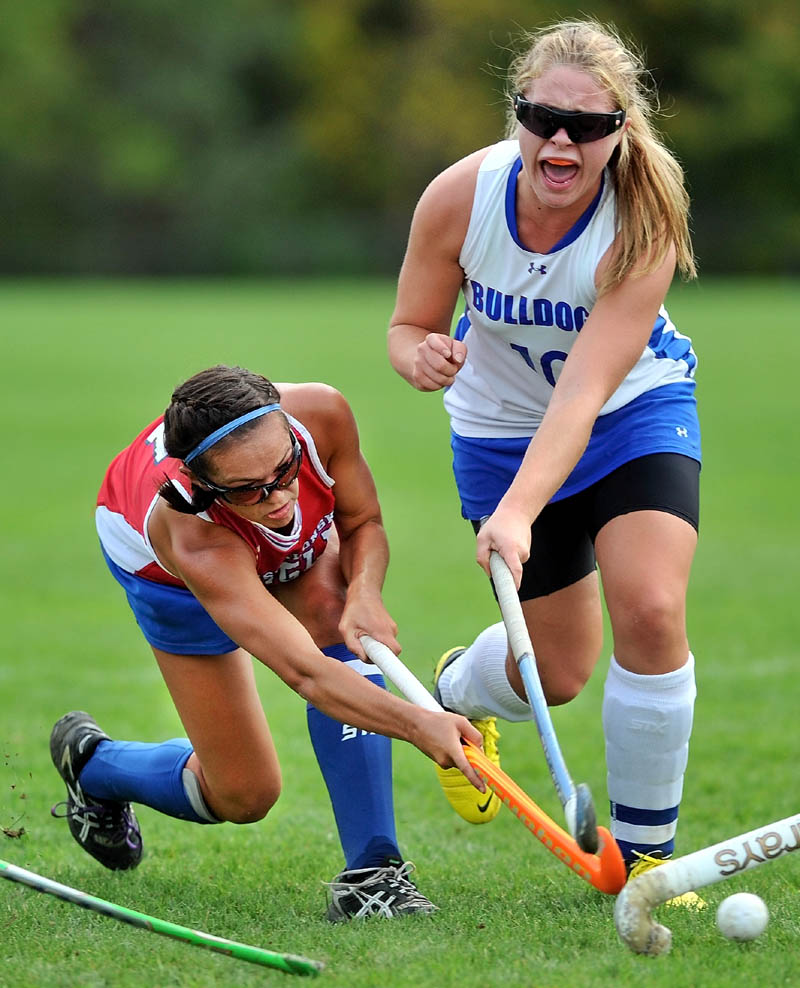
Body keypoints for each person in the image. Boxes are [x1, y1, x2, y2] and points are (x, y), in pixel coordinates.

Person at [387, 19, 704, 901]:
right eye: (541, 117)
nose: (560, 140)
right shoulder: (461, 195)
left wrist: (520, 513)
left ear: (620, 132)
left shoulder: (642, 220)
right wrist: (419, 356)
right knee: (555, 675)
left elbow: (585, 393)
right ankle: (457, 687)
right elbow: (408, 325)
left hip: (627, 416)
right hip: (496, 432)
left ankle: (648, 862)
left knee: (650, 605)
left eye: (587, 126)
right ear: (516, 113)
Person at [50, 364, 485, 922]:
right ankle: (94, 768)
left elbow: (362, 521)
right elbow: (304, 671)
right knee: (244, 796)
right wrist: (418, 723)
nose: (279, 499)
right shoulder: (192, 532)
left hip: (243, 525)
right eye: (249, 490)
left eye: (285, 472)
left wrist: (366, 595)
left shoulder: (322, 414)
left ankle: (373, 877)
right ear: (207, 484)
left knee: (332, 612)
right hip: (162, 573)